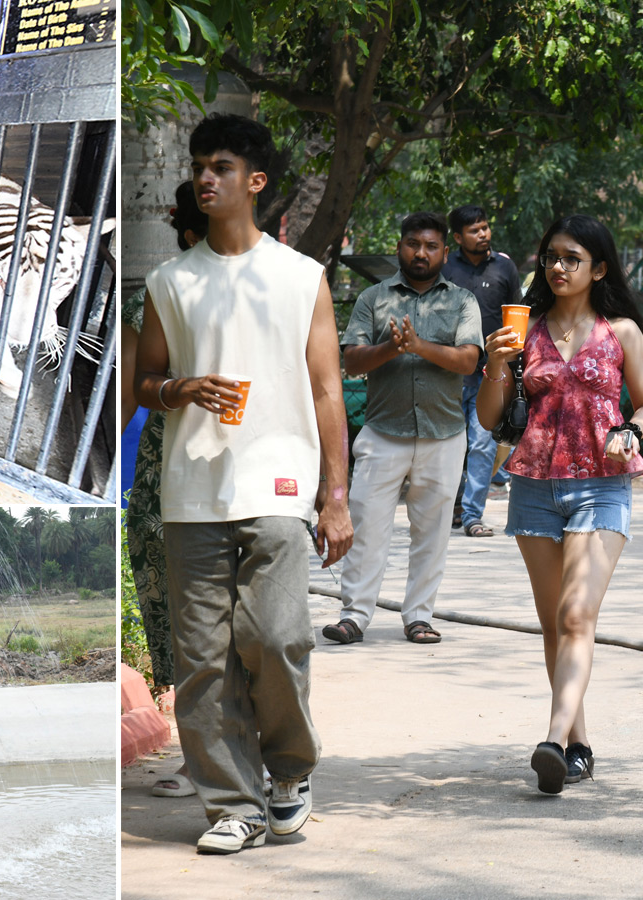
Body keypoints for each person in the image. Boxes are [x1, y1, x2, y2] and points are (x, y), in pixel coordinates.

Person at [134, 112, 353, 854]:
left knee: (278, 634)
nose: (205, 177)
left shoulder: (302, 278)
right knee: (201, 661)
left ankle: (289, 771)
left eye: (221, 167)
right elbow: (144, 382)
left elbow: (327, 392)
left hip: (281, 484)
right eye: (200, 166)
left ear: (254, 182)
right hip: (192, 492)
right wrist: (182, 389)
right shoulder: (170, 281)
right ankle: (233, 804)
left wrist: (336, 495)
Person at [477, 214, 643, 794]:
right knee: (555, 624)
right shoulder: (525, 329)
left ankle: (550, 740)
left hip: (602, 484)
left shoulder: (621, 332)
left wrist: (633, 432)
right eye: (551, 256)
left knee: (577, 616)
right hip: (533, 487)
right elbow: (490, 418)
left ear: (598, 269)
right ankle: (578, 746)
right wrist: (497, 362)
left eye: (572, 258)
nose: (558, 266)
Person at [323, 212, 482, 646]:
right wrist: (391, 348)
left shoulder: (463, 301)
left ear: (445, 252)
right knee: (366, 527)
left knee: (430, 533)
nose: (421, 252)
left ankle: (419, 617)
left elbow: (469, 360)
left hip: (444, 434)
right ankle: (353, 616)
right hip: (382, 432)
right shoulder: (373, 299)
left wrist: (417, 346)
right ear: (400, 247)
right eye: (413, 243)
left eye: (431, 246)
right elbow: (351, 361)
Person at [121, 181, 207, 799]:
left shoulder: (273, 290)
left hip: (239, 472)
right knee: (174, 613)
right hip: (163, 470)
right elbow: (130, 392)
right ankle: (202, 755)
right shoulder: (161, 293)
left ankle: (234, 752)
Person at [442, 205, 521, 537]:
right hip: (449, 372)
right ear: (458, 237)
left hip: (492, 372)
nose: (484, 234)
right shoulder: (444, 269)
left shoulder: (504, 266)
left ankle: (473, 514)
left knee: (482, 444)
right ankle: (452, 508)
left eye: (485, 228)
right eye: (475, 230)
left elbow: (517, 317)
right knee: (448, 443)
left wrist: (516, 367)